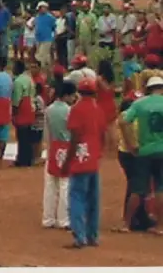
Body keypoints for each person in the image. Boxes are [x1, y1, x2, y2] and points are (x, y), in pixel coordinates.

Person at [62, 77, 106, 249]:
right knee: (93, 199)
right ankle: (92, 236)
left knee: (77, 197)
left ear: (79, 92)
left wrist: (67, 161)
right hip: (94, 157)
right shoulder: (98, 109)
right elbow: (103, 134)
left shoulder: (76, 109)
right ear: (94, 92)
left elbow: (74, 138)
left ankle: (80, 237)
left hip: (80, 157)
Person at [119, 75, 163, 235]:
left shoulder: (140, 104)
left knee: (137, 188)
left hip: (144, 151)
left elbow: (123, 121)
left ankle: (126, 224)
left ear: (148, 89)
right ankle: (160, 226)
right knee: (160, 188)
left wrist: (130, 143)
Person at [43, 80, 77, 230]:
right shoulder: (70, 111)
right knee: (65, 185)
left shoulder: (49, 109)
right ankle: (63, 219)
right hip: (66, 146)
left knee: (50, 185)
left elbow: (47, 132)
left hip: (53, 146)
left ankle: (48, 218)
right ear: (67, 95)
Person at [12, 60, 38, 167]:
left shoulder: (18, 81)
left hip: (23, 108)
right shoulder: (29, 78)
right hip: (31, 107)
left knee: (21, 136)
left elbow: (16, 99)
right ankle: (29, 159)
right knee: (28, 135)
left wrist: (14, 113)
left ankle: (22, 159)